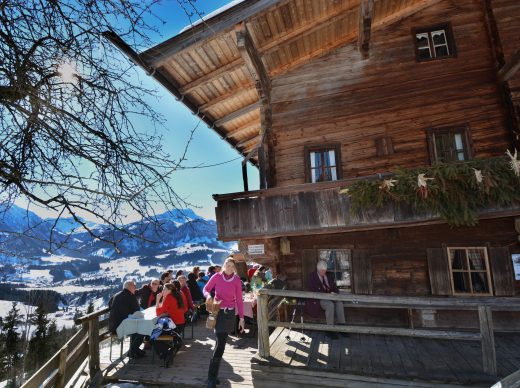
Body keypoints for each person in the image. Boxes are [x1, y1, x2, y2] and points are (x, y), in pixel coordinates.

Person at [203, 258, 244, 388]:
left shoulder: (237, 280)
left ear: (234, 268)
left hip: (229, 315)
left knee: (220, 343)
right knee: (220, 345)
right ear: (224, 265)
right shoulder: (217, 276)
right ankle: (211, 379)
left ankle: (213, 376)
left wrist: (242, 318)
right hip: (217, 312)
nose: (229, 267)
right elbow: (206, 288)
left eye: (232, 266)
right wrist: (208, 296)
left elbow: (239, 300)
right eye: (227, 265)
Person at [307, 260, 346, 339]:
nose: (323, 272)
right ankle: (329, 330)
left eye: (324, 270)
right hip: (318, 299)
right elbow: (314, 290)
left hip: (329, 297)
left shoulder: (327, 276)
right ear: (318, 269)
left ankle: (342, 327)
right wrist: (327, 294)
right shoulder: (312, 276)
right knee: (330, 305)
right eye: (322, 271)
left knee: (339, 303)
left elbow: (334, 287)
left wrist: (334, 292)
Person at [109, 280, 145, 358]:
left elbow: (109, 305)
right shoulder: (131, 296)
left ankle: (136, 350)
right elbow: (137, 311)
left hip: (113, 326)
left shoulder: (116, 295)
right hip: (122, 327)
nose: (135, 287)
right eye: (134, 286)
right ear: (129, 286)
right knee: (142, 330)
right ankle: (132, 351)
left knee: (136, 328)